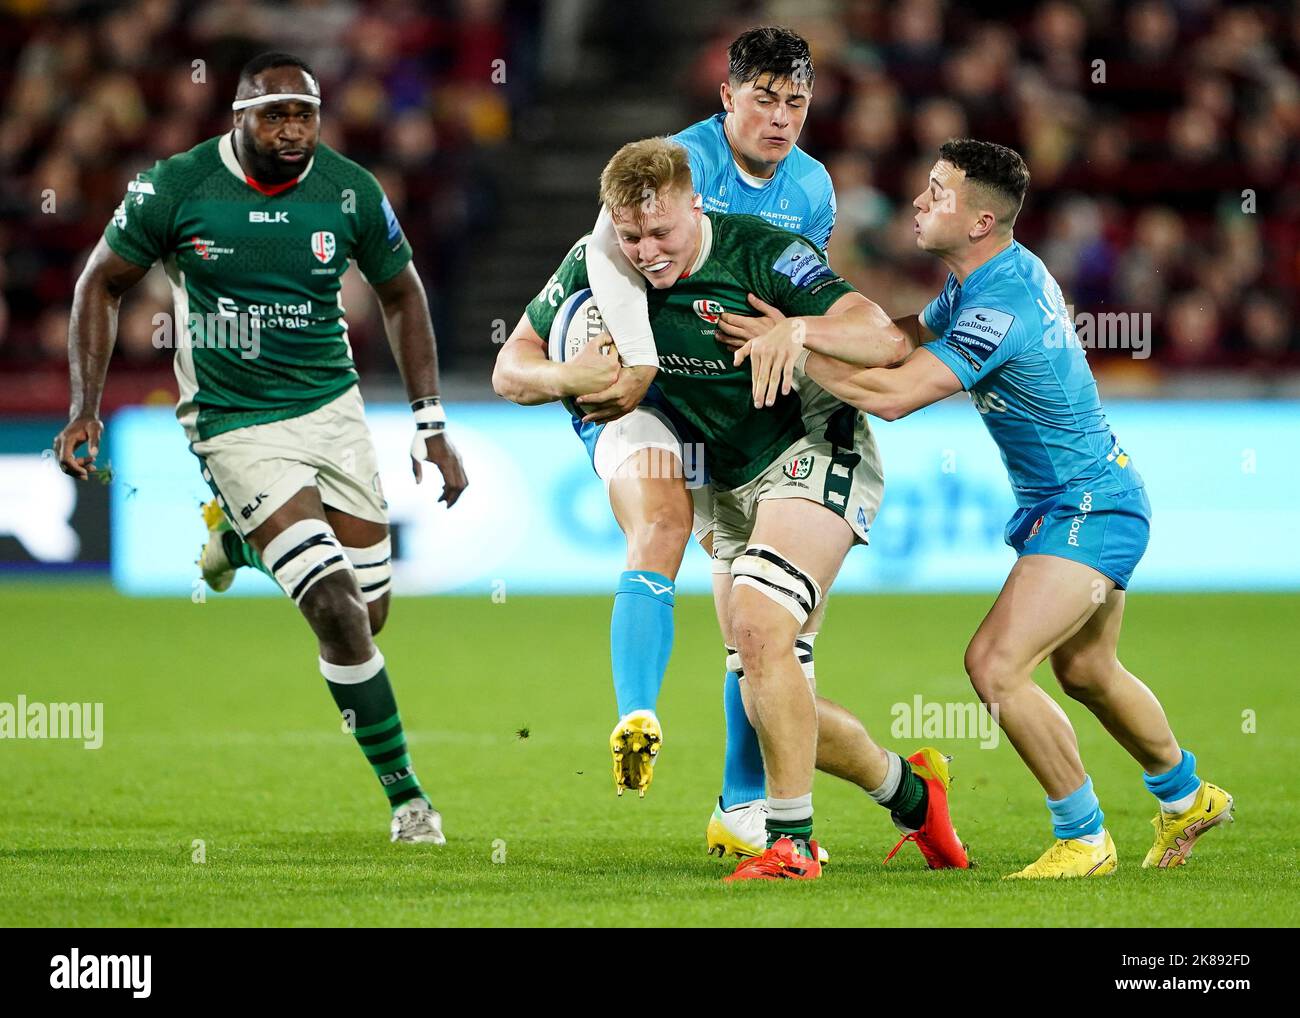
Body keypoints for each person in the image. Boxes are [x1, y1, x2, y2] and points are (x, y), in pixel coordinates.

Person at [737, 138, 1234, 877]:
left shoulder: (998, 306)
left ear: (979, 221)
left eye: (937, 192)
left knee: (995, 666)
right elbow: (900, 342)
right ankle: (1186, 794)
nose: (918, 201)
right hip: (1087, 498)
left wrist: (794, 348)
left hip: (1087, 508)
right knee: (1089, 670)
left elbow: (898, 395)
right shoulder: (986, 278)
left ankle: (1084, 836)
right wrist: (816, 326)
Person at [493, 137, 969, 879]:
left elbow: (880, 337)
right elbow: (509, 368)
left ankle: (790, 842)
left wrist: (797, 329)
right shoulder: (601, 267)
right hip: (726, 476)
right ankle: (911, 793)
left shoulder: (762, 253)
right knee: (762, 683)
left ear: (694, 203)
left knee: (755, 624)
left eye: (661, 232)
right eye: (631, 235)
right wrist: (564, 372)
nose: (647, 252)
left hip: (813, 449)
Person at [53, 52, 468, 845]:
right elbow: (98, 283)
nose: (291, 131)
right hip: (235, 422)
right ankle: (409, 800)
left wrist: (430, 423)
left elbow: (401, 291)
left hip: (333, 411)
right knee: (337, 612)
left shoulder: (348, 190)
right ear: (236, 118)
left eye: (304, 115)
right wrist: (84, 409)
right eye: (273, 115)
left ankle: (241, 542)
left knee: (369, 616)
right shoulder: (174, 188)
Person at [573, 26, 841, 856]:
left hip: (736, 404)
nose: (780, 118)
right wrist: (640, 362)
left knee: (755, 620)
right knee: (664, 528)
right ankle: (640, 712)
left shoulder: (814, 188)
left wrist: (791, 340)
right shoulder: (675, 163)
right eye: (763, 98)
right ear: (726, 97)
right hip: (653, 380)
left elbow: (803, 296)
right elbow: (607, 255)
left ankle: (742, 804)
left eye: (795, 102)